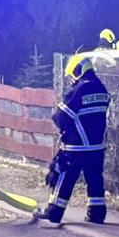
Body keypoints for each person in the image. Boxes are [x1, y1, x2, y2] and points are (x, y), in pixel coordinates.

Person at [35, 55, 110, 225]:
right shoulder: (102, 88)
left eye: (72, 74)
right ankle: (97, 213)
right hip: (97, 146)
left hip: (76, 146)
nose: (72, 78)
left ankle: (54, 211)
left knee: (64, 176)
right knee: (95, 179)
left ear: (78, 70)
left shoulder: (79, 90)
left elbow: (61, 117)